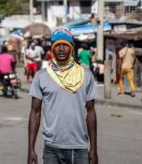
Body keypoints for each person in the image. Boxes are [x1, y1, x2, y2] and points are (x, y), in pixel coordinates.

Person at [28, 27, 98, 164]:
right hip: (51, 148)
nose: (61, 49)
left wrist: (93, 149)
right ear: (52, 49)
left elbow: (90, 112)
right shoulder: (41, 76)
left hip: (79, 148)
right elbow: (35, 112)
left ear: (71, 48)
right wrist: (31, 149)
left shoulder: (86, 75)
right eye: (57, 45)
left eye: (65, 45)